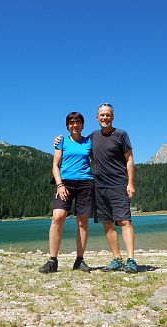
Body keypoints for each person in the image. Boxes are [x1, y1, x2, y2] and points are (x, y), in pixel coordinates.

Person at [55, 103, 138, 273]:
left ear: (112, 117)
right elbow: (78, 145)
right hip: (98, 186)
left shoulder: (121, 135)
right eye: (102, 115)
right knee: (107, 223)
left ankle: (131, 260)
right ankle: (117, 259)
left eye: (108, 115)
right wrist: (58, 140)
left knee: (124, 221)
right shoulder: (92, 137)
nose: (105, 118)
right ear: (97, 118)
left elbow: (129, 160)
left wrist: (130, 183)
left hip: (118, 184)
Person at [39, 112, 94, 274]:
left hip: (85, 184)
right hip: (65, 184)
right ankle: (52, 260)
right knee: (57, 217)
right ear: (67, 126)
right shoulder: (61, 141)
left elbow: (98, 160)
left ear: (83, 125)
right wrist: (60, 184)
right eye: (71, 123)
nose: (74, 125)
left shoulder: (89, 142)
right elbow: (55, 165)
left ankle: (79, 260)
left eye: (78, 122)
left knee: (82, 222)